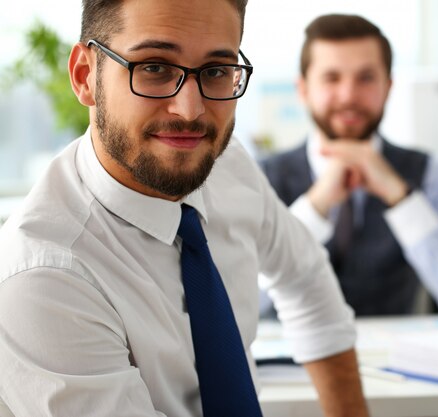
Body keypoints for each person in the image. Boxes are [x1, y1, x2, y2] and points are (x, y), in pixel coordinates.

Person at [0, 1, 370, 416]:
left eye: (214, 71)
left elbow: (306, 278)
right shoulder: (43, 277)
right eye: (155, 68)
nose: (190, 111)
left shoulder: (226, 165)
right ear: (86, 76)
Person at [260, 14, 438, 317]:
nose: (348, 95)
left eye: (365, 78)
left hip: (396, 357)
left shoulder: (431, 174)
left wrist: (401, 196)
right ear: (303, 90)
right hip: (290, 360)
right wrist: (316, 205)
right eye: (332, 78)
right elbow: (238, 300)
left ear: (388, 87)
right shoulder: (262, 176)